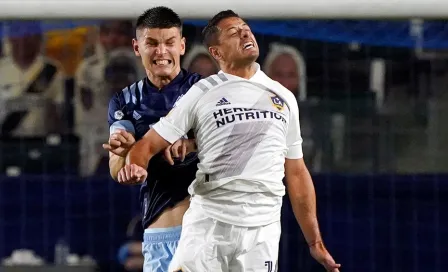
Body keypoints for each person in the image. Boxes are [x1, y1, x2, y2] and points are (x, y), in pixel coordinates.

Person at [120, 10, 341, 272]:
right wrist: (135, 164)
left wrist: (315, 242)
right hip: (210, 222)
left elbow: (296, 172)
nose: (245, 33)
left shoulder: (283, 96)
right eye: (234, 33)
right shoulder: (202, 92)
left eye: (246, 28)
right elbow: (147, 145)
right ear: (217, 52)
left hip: (262, 229)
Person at [102, 7, 201, 272]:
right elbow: (117, 165)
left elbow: (230, 145)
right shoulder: (124, 101)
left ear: (182, 45)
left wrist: (192, 144)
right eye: (152, 43)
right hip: (159, 236)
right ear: (137, 47)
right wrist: (125, 162)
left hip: (205, 233)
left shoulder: (205, 92)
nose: (161, 52)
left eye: (169, 42)